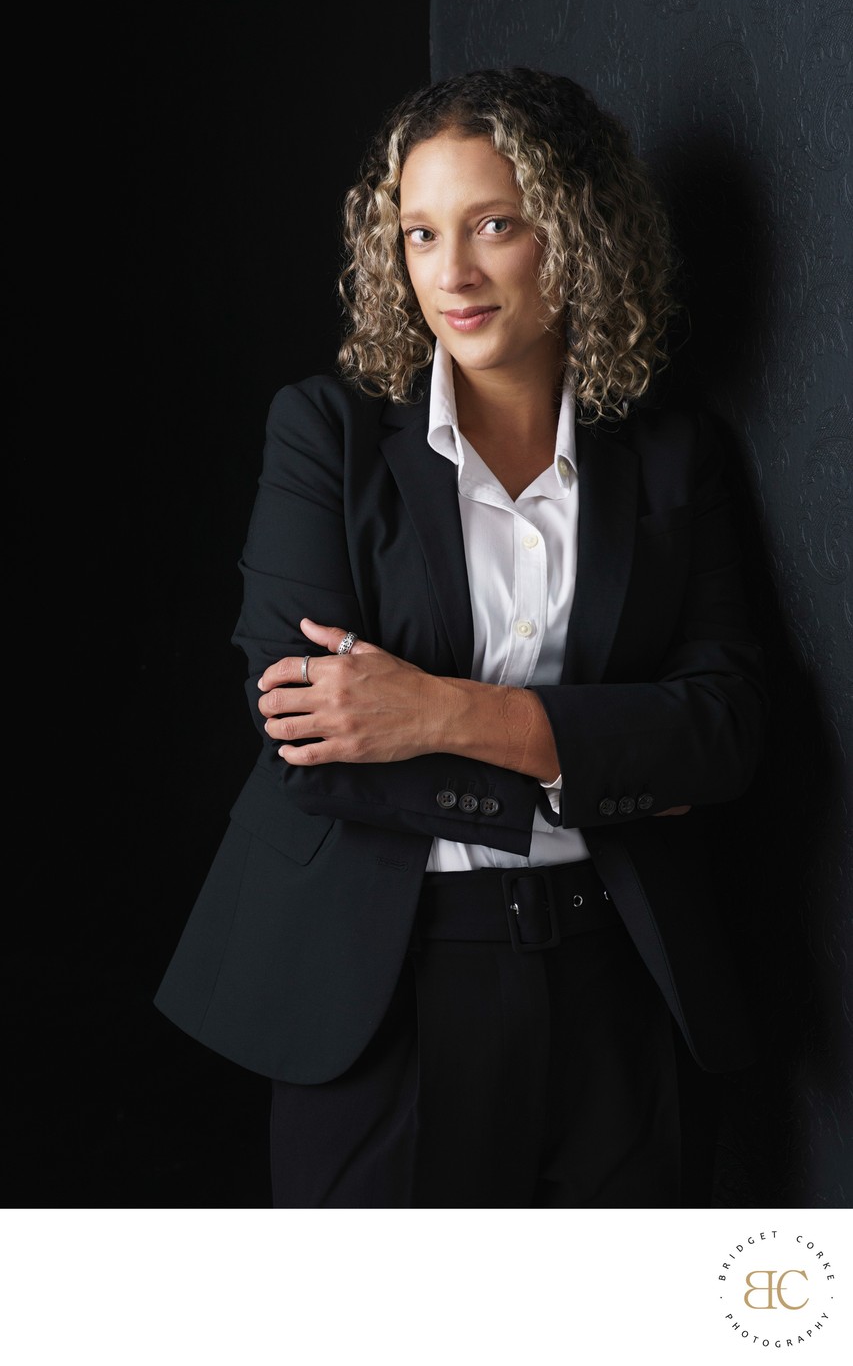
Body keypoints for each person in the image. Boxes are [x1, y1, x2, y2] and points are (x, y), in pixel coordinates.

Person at [154, 65, 766, 1208]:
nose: (453, 273)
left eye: (495, 225)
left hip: (622, 976)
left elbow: (724, 727)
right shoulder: (325, 435)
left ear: (574, 234)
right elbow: (304, 726)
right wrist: (596, 762)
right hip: (382, 986)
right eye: (420, 233)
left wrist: (441, 713)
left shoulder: (677, 457)